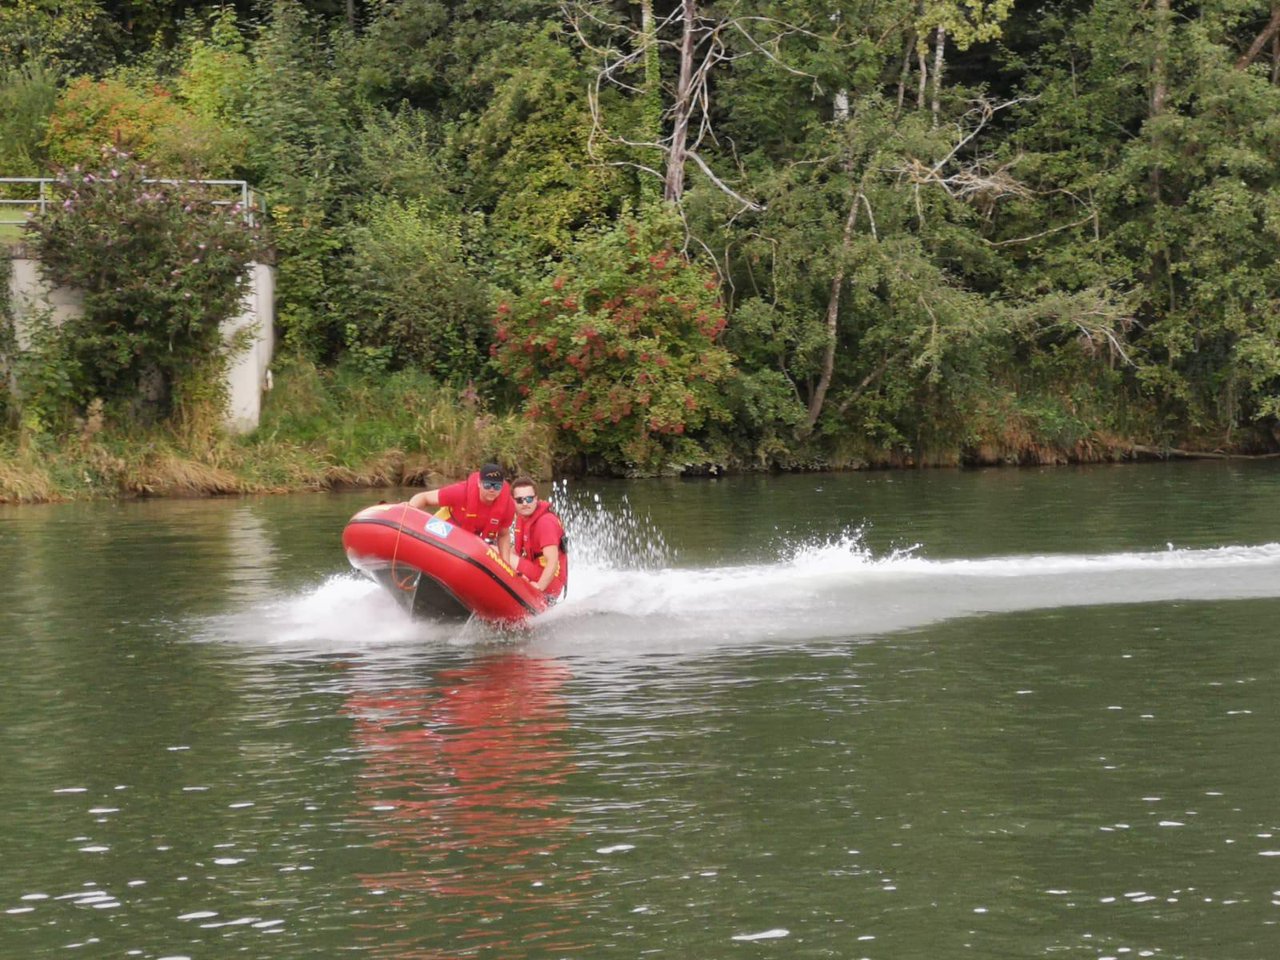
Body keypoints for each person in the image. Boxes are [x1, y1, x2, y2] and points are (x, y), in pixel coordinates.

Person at [408, 463, 516, 566]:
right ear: (479, 483)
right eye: (487, 485)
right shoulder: (460, 492)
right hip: (443, 530)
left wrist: (506, 564)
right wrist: (407, 517)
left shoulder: (508, 506)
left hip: (469, 542)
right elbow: (423, 498)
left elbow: (503, 535)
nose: (492, 490)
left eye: (497, 486)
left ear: (502, 487)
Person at [510, 477, 568, 600]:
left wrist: (539, 587)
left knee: (502, 555)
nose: (525, 503)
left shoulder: (545, 522)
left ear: (536, 499)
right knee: (495, 550)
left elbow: (552, 562)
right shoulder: (522, 518)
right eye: (520, 500)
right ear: (513, 501)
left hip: (550, 582)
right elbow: (517, 551)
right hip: (534, 570)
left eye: (529, 499)